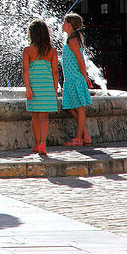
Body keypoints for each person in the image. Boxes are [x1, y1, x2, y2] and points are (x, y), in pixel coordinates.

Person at [22, 18, 60, 154]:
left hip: (34, 88)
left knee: (35, 116)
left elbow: (25, 70)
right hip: (47, 88)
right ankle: (43, 143)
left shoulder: (28, 50)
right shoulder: (52, 51)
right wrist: (55, 89)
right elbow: (55, 71)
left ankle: (37, 143)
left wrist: (28, 88)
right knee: (44, 117)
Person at [60, 13, 95, 146]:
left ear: (69, 25)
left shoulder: (72, 41)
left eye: (64, 22)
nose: (62, 24)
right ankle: (85, 136)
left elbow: (81, 62)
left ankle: (78, 138)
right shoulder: (72, 39)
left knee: (79, 108)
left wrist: (85, 78)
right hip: (71, 79)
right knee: (70, 106)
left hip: (75, 78)